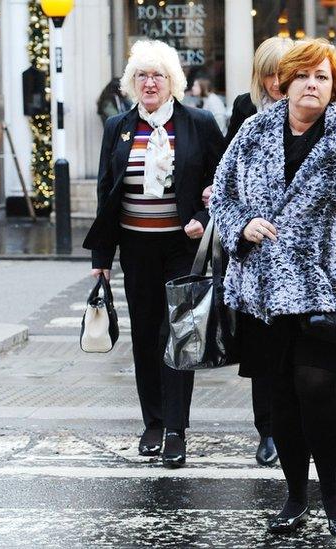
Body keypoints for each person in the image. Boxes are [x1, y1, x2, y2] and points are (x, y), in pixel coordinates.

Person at [210, 39, 336, 537]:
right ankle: (295, 496)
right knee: (280, 393)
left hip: (329, 286)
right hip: (264, 290)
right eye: (302, 75)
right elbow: (223, 194)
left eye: (322, 77)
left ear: (335, 87)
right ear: (284, 82)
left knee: (315, 385)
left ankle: (332, 491)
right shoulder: (252, 132)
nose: (311, 85)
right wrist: (242, 225)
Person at [82, 40, 225, 469]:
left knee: (178, 334)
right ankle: (154, 423)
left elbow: (225, 180)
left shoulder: (198, 123)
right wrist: (101, 261)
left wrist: (204, 212)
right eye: (141, 75)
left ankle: (177, 430)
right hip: (136, 247)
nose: (149, 83)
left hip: (182, 248)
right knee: (145, 335)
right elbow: (106, 194)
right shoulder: (119, 128)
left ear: (172, 82)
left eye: (157, 75)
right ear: (131, 82)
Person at [207, 36, 296, 468]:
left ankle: (298, 427)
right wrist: (238, 221)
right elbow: (225, 173)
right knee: (262, 351)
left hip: (299, 255)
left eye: (286, 71)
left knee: (301, 352)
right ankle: (268, 431)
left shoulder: (316, 110)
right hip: (257, 251)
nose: (279, 82)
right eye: (271, 73)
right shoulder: (246, 108)